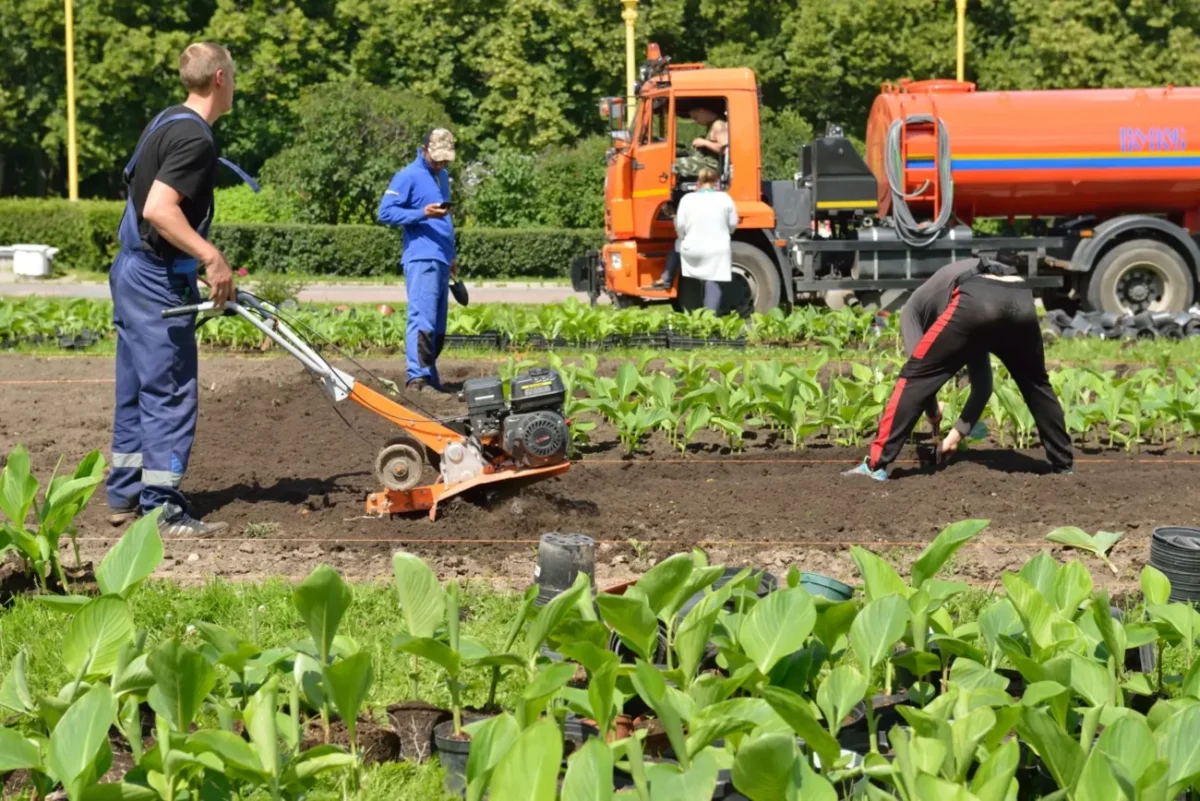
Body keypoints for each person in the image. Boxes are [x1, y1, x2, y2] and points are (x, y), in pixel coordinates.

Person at [106, 42, 259, 537]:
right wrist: (210, 257)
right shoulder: (196, 140)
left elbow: (138, 203)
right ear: (219, 79)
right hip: (152, 280)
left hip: (134, 269)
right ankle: (162, 507)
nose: (234, 84)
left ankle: (125, 492)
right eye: (232, 75)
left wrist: (176, 263)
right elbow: (158, 208)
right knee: (170, 390)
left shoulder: (166, 120)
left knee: (136, 385)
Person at [844, 256, 1074, 480]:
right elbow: (983, 387)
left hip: (977, 295)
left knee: (912, 377)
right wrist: (955, 436)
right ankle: (1063, 466)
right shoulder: (950, 301)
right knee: (1036, 384)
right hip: (1020, 294)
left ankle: (875, 466)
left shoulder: (912, 311)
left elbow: (918, 381)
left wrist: (934, 414)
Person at [378, 129, 458, 392]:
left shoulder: (442, 176)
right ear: (423, 149)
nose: (441, 164)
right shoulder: (407, 176)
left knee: (438, 325)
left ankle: (430, 377)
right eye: (436, 158)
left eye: (445, 159)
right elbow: (385, 212)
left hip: (441, 258)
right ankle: (417, 379)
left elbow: (445, 220)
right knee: (422, 318)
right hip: (421, 256)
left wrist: (451, 255)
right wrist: (421, 213)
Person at [658, 168, 737, 311]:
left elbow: (680, 225)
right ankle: (709, 321)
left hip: (692, 250)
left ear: (698, 182)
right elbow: (732, 225)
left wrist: (684, 238)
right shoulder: (726, 198)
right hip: (717, 250)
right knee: (713, 281)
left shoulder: (687, 199)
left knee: (678, 245)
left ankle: (667, 277)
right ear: (716, 182)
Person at [674, 105, 728, 179]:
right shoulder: (712, 124)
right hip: (706, 163)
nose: (695, 121)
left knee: (673, 164)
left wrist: (704, 143)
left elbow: (725, 150)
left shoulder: (718, 125)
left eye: (695, 117)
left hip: (711, 166)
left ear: (702, 111)